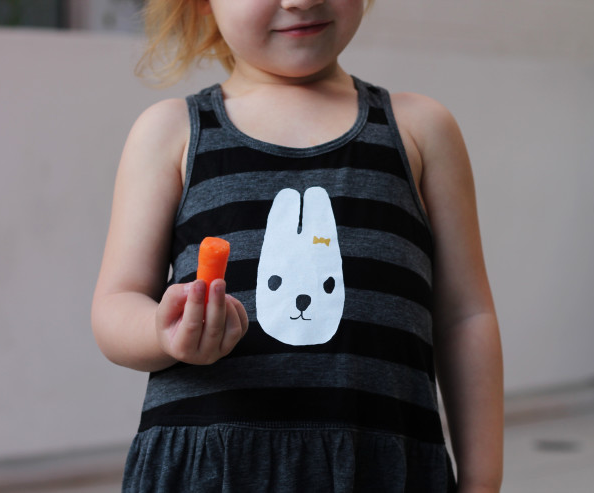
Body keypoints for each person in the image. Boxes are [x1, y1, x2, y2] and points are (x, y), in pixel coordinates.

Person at [91, 0, 504, 491]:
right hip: (215, 472)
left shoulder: (421, 129)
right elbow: (115, 304)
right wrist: (162, 333)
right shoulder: (171, 133)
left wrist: (481, 481)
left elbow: (465, 317)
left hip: (379, 469)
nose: (301, 0)